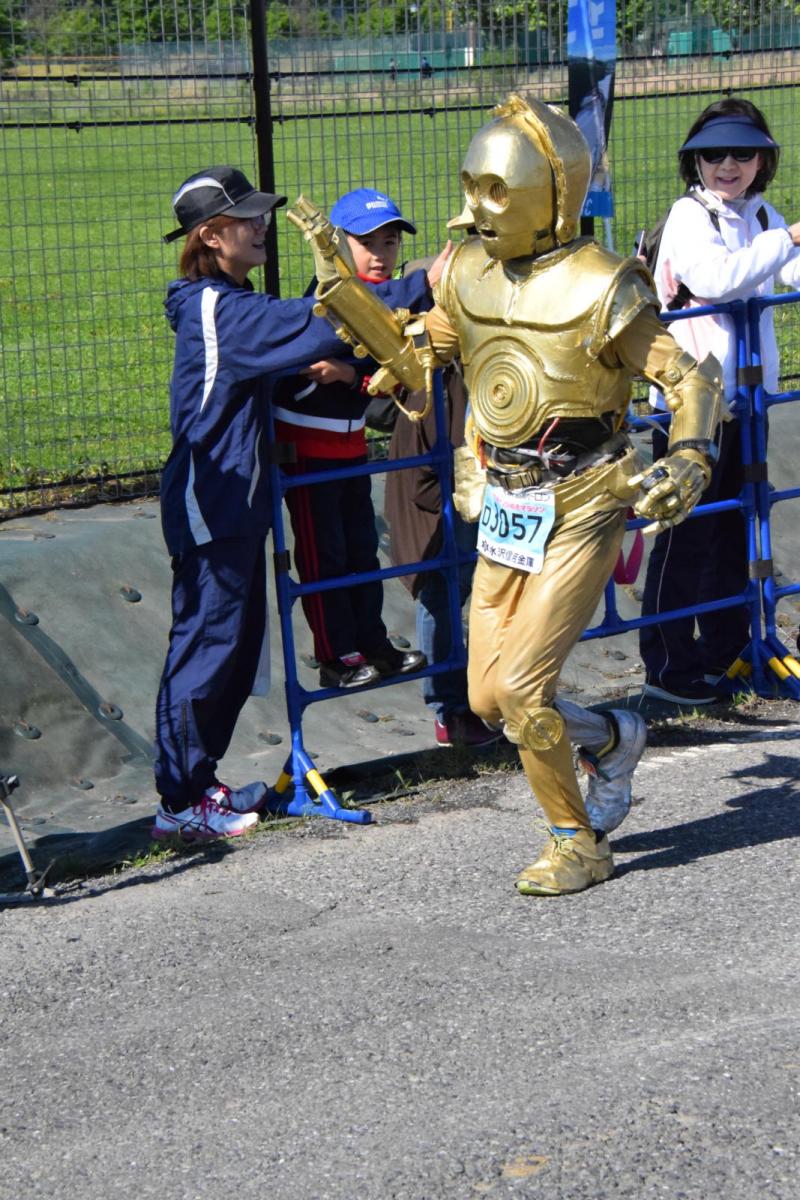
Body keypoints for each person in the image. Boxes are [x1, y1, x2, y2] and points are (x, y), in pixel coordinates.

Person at [290, 94, 721, 895]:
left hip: (585, 498)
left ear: (549, 194)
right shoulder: (464, 273)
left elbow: (691, 378)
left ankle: (576, 842)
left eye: (495, 191)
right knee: (489, 697)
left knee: (521, 689)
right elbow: (420, 356)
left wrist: (691, 456)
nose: (472, 211)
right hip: (504, 499)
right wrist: (344, 294)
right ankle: (610, 737)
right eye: (470, 188)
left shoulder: (605, 287)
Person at [153, 167, 432, 842]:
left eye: (261, 214)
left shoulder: (229, 299)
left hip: (237, 500)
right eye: (246, 218)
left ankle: (198, 786)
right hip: (210, 501)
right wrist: (426, 281)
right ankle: (180, 802)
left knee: (234, 646)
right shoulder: (216, 309)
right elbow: (320, 322)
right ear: (209, 235)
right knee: (208, 645)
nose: (262, 226)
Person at [639, 98, 800, 705]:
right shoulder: (690, 216)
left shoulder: (758, 215)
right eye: (713, 154)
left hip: (747, 404)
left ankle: (727, 654)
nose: (727, 165)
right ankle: (667, 669)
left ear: (763, 160)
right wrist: (787, 238)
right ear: (695, 161)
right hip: (691, 407)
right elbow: (717, 280)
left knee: (736, 530)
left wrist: (785, 242)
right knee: (686, 535)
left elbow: (791, 271)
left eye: (742, 152)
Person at [274, 188, 448, 688]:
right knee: (323, 554)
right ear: (338, 246)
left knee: (362, 549)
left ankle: (374, 643)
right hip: (308, 450)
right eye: (367, 243)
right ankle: (335, 657)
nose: (380, 254)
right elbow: (313, 367)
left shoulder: (383, 302)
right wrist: (354, 377)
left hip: (350, 445)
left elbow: (385, 374)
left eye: (390, 242)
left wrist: (352, 377)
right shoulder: (329, 300)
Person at [379, 361, 504, 748]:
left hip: (459, 484)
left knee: (459, 585)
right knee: (443, 588)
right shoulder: (439, 377)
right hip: (447, 492)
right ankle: (449, 711)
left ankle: (466, 703)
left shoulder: (450, 373)